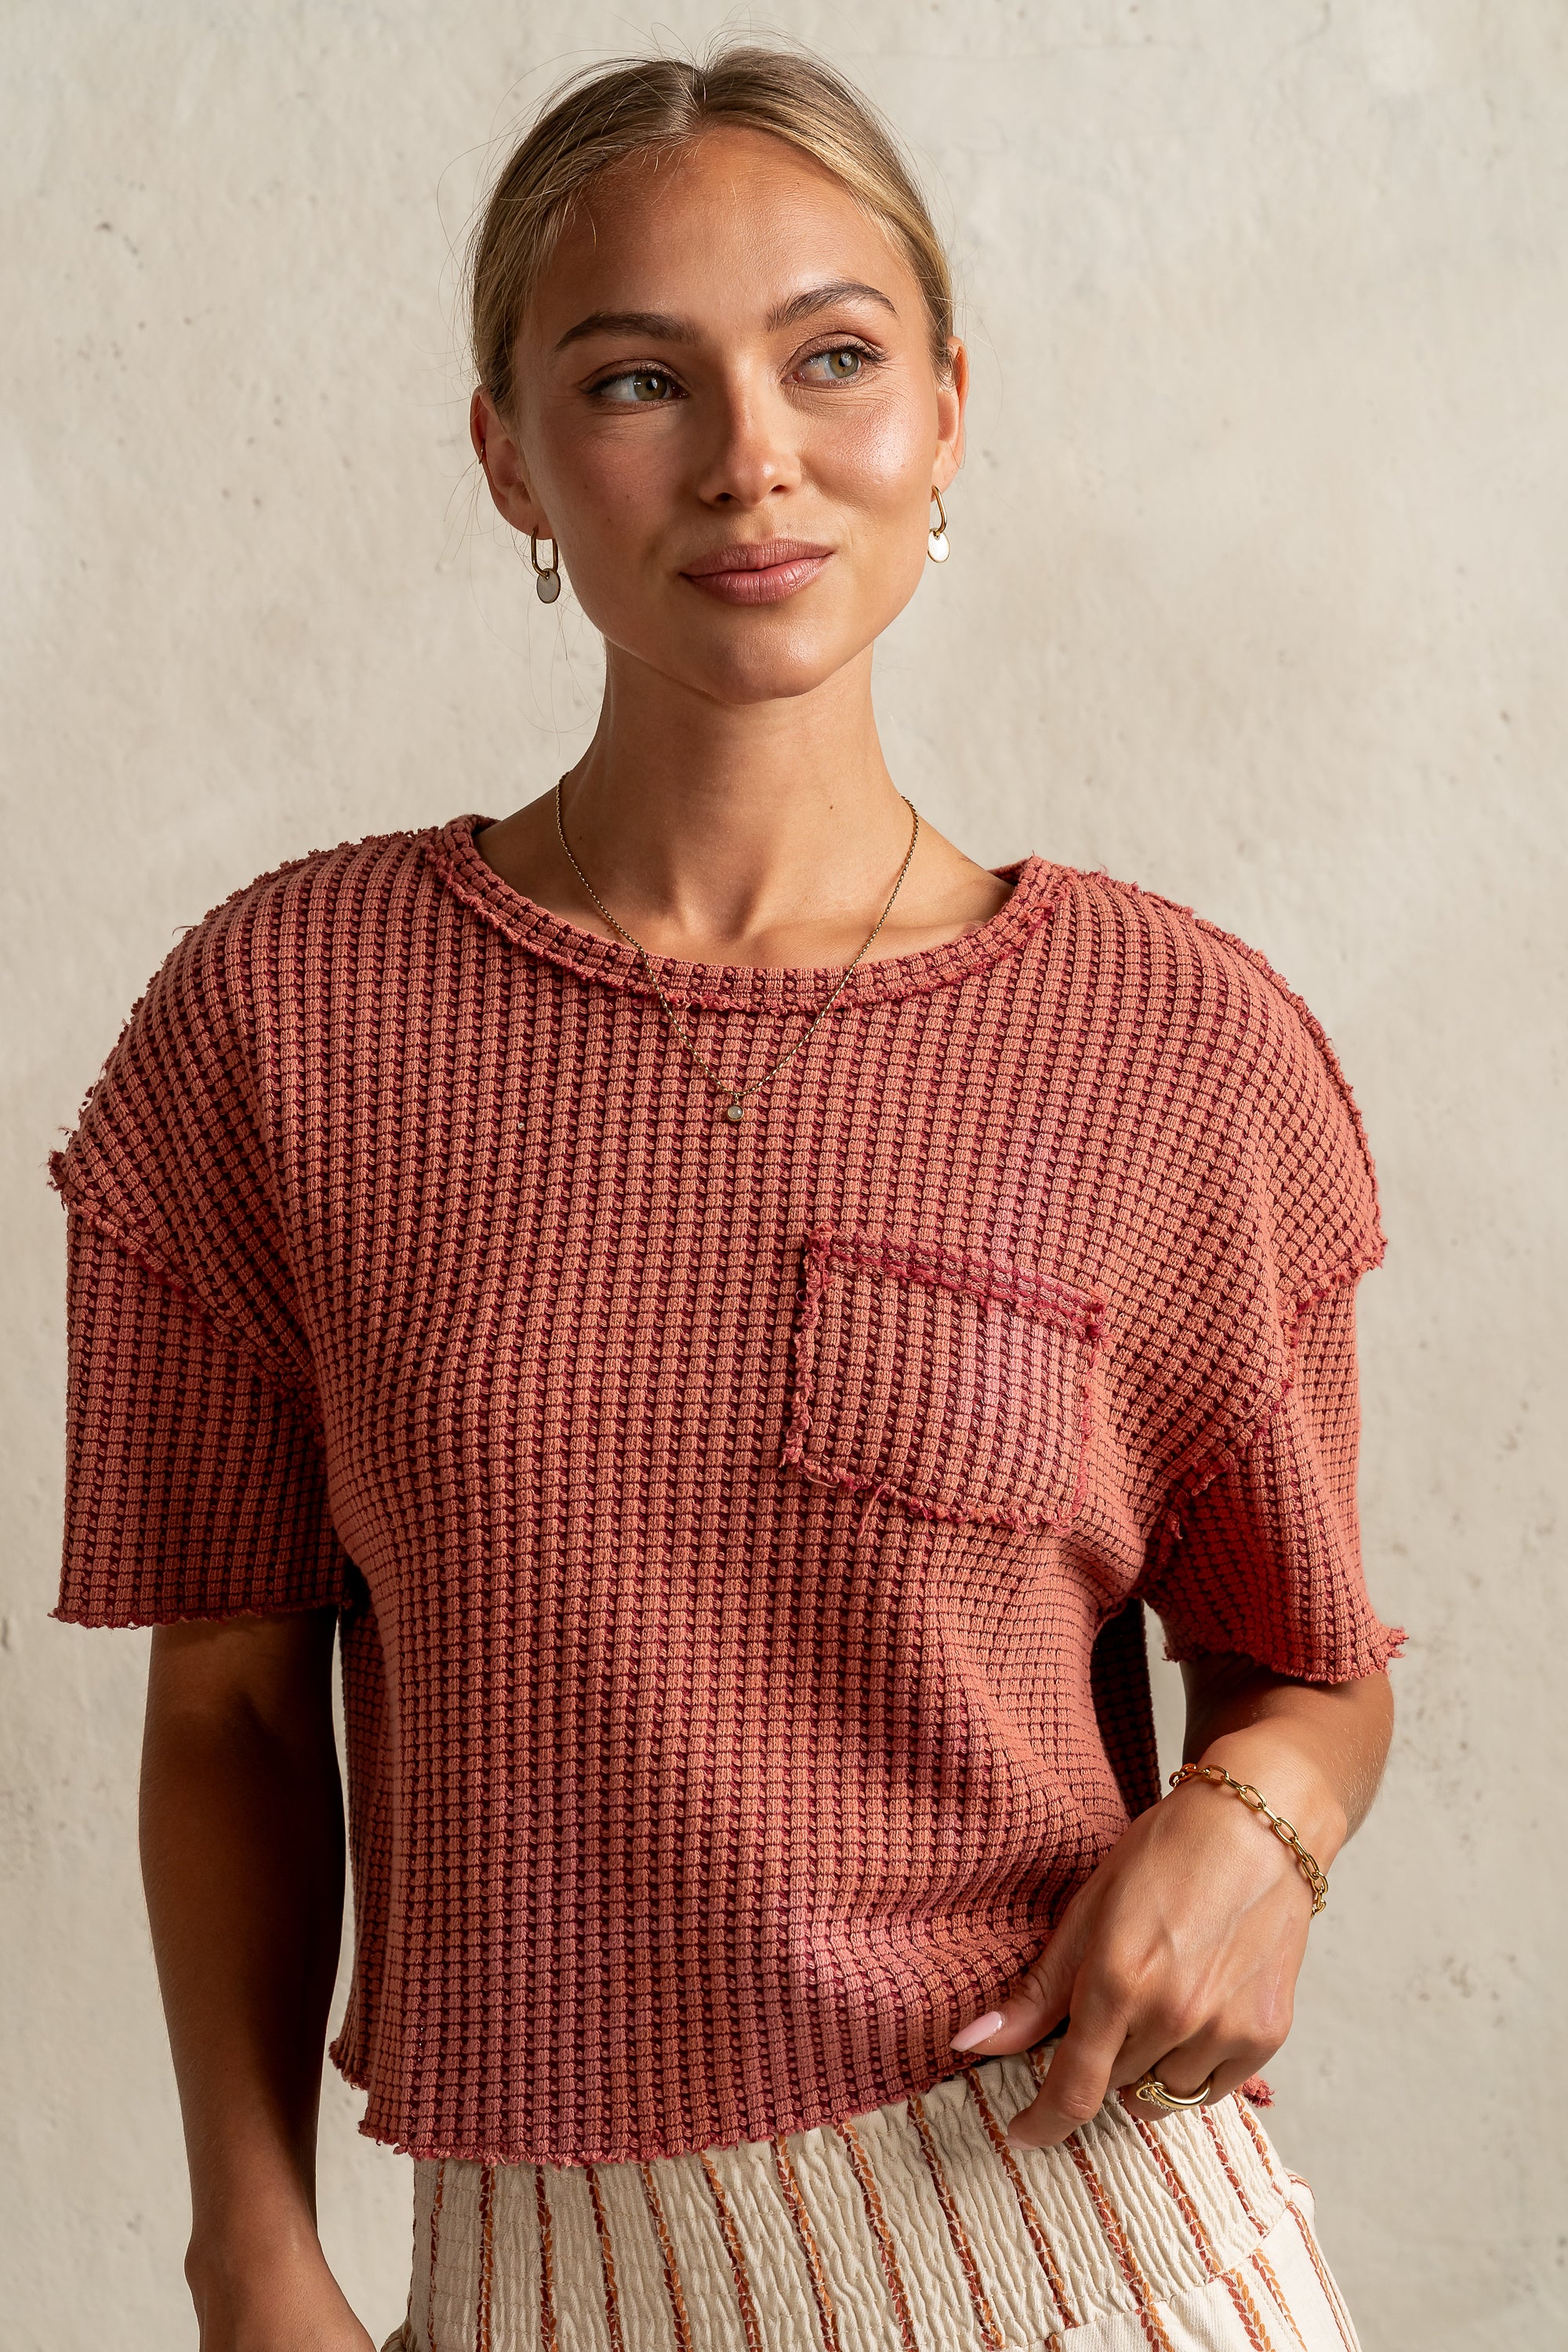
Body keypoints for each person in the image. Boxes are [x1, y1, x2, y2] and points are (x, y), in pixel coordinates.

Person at [52, 42, 1402, 2352]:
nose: (752, 456)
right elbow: (237, 1718)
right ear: (510, 455)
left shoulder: (1172, 1044)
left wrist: (1256, 1833)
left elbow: (1309, 1675)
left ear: (947, 414)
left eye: (833, 359)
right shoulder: (284, 1025)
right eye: (637, 379)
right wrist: (249, 2250)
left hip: (1089, 2248)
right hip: (537, 2279)